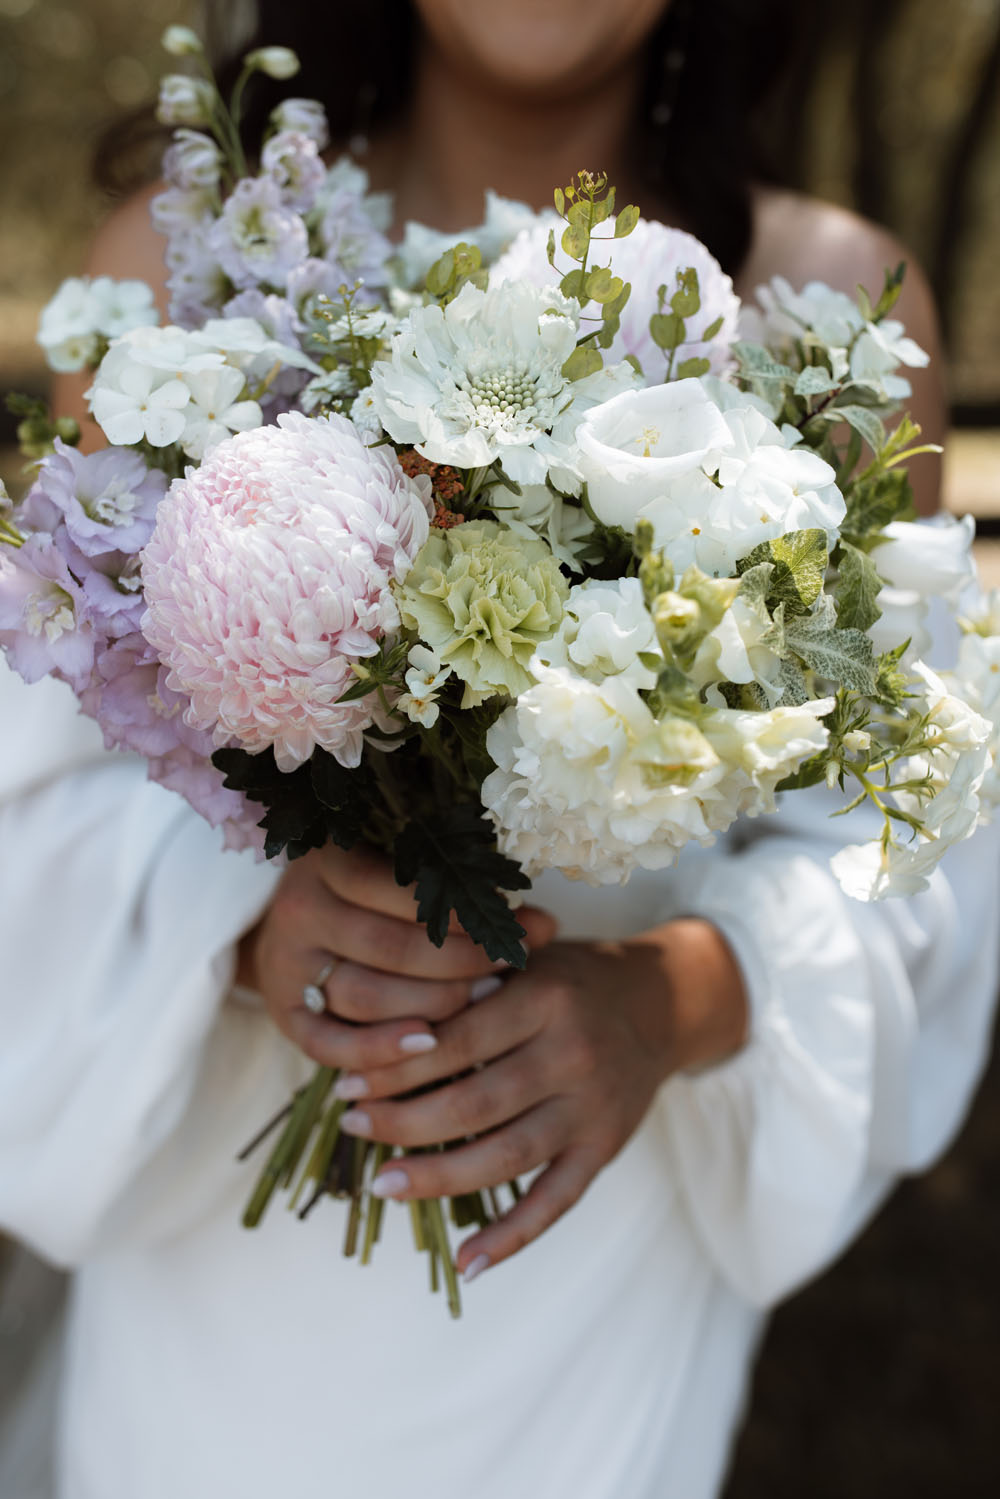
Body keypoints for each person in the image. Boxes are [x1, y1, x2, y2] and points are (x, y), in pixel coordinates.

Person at [0, 3, 994, 1497]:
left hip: (595, 1263)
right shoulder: (180, 268)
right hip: (219, 1248)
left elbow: (912, 841)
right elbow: (36, 789)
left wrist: (682, 997)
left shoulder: (834, 307)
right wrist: (239, 933)